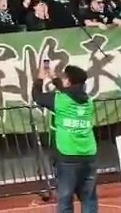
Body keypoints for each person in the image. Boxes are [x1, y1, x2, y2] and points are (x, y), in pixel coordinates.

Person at [32, 64, 98, 213]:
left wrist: (40, 79)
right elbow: (70, 93)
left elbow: (38, 97)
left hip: (67, 155)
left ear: (68, 81)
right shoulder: (88, 102)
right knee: (89, 198)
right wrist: (55, 79)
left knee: (65, 199)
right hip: (88, 154)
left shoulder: (59, 100)